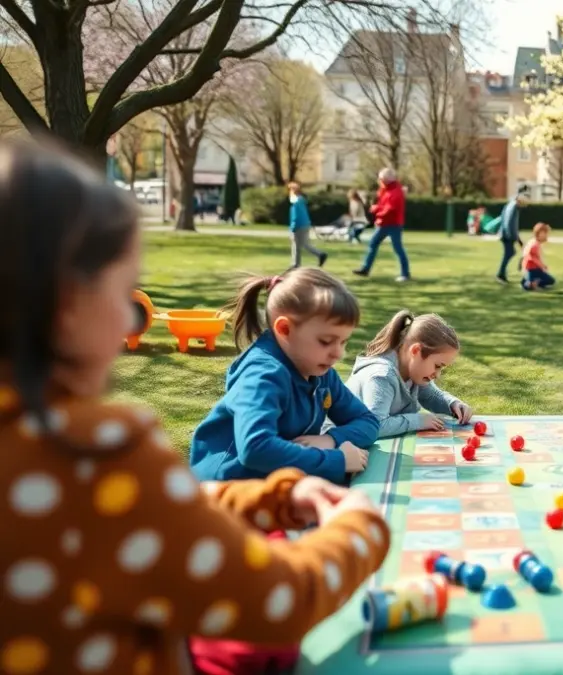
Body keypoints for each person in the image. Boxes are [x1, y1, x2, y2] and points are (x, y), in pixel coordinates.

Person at [0, 138, 390, 675]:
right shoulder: (94, 452)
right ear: (67, 303)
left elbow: (145, 515)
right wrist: (362, 526)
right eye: (124, 293)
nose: (129, 322)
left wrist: (277, 496)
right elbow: (277, 601)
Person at [189, 268, 379, 485]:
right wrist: (337, 460)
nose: (338, 353)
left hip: (278, 483)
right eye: (326, 341)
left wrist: (329, 439)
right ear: (285, 329)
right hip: (229, 489)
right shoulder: (262, 375)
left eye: (344, 342)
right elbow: (255, 448)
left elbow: (368, 421)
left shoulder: (321, 372)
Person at [344, 311, 474, 438]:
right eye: (437, 366)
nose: (437, 375)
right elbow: (374, 426)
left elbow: (430, 396)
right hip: (340, 445)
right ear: (416, 351)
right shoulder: (382, 376)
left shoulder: (413, 371)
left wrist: (452, 404)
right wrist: (417, 421)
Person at [353, 167, 410, 282]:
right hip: (383, 223)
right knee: (372, 245)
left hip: (393, 224)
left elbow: (390, 209)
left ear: (387, 179)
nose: (379, 181)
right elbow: (385, 205)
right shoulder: (386, 190)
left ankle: (405, 274)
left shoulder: (395, 192)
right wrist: (378, 209)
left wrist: (376, 209)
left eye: (381, 179)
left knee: (398, 248)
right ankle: (365, 269)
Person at [287, 181, 327, 269]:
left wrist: (293, 228)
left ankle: (296, 264)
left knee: (296, 245)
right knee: (305, 244)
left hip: (298, 225)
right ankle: (320, 254)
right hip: (305, 224)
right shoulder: (301, 200)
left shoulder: (296, 201)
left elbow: (296, 215)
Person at [496, 191, 527, 284]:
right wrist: (516, 238)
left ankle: (502, 274)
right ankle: (500, 274)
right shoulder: (513, 207)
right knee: (509, 253)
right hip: (507, 235)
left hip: (506, 234)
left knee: (509, 253)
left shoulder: (510, 205)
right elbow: (510, 224)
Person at [521, 222, 555, 291]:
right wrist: (542, 266)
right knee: (550, 281)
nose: (547, 236)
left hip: (531, 269)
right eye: (546, 234)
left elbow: (525, 253)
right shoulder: (535, 245)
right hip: (533, 269)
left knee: (550, 280)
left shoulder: (532, 242)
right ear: (540, 234)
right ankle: (531, 283)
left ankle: (529, 281)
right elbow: (532, 257)